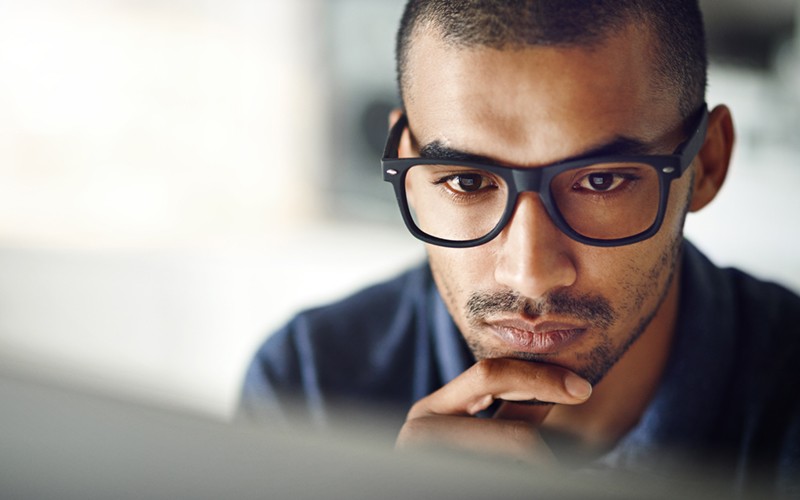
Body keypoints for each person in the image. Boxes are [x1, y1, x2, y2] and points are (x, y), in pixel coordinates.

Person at [240, 0, 800, 496]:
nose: (529, 275)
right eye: (465, 181)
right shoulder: (308, 387)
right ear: (409, 171)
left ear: (706, 165)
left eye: (600, 182)